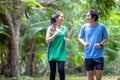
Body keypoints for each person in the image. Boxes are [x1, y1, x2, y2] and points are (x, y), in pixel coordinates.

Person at [78, 10, 108, 80]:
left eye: (88, 16)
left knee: (99, 71)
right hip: (88, 54)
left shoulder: (101, 27)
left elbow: (106, 38)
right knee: (90, 72)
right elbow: (79, 38)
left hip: (99, 54)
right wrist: (84, 43)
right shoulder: (84, 27)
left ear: (94, 17)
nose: (86, 17)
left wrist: (100, 44)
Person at [46, 11, 69, 80]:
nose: (63, 18)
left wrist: (66, 39)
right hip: (52, 52)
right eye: (61, 17)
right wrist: (55, 34)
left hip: (61, 52)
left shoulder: (65, 28)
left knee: (61, 70)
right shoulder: (50, 28)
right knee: (53, 72)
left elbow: (67, 37)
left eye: (63, 17)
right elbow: (47, 41)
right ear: (56, 18)